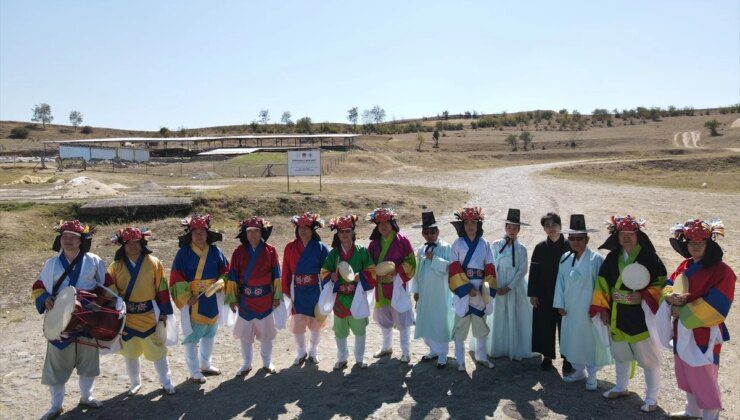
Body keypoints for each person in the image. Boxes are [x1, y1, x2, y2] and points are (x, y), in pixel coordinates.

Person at [32, 220, 111, 419]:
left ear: (81, 240)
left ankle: (87, 397)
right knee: (57, 364)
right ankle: (55, 406)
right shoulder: (51, 264)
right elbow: (38, 286)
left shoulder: (94, 260)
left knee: (88, 361)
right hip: (59, 320)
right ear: (60, 240)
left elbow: (107, 286)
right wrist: (44, 298)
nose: (68, 241)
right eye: (64, 237)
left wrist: (100, 306)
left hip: (87, 319)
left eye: (73, 238)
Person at [590, 215, 667, 413]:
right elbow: (602, 283)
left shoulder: (650, 257)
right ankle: (621, 387)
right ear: (617, 236)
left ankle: (651, 398)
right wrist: (603, 309)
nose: (626, 238)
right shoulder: (612, 257)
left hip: (641, 315)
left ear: (638, 235)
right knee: (621, 354)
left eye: (631, 234)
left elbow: (661, 283)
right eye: (622, 234)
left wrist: (643, 295)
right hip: (617, 313)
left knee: (649, 359)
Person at [664, 219, 735, 420]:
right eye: (691, 242)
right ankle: (692, 410)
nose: (695, 246)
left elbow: (717, 305)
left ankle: (710, 416)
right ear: (685, 243)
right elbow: (669, 285)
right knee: (686, 371)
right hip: (682, 328)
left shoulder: (722, 271)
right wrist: (669, 297)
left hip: (705, 331)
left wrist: (681, 311)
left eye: (700, 242)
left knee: (705, 376)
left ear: (709, 244)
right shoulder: (684, 265)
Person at [108, 227, 176, 396]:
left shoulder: (154, 262)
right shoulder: (115, 266)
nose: (132, 246)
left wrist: (165, 312)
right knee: (130, 353)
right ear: (122, 244)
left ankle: (166, 381)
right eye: (128, 243)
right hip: (127, 317)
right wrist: (115, 311)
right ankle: (135, 383)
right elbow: (110, 290)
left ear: (142, 243)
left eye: (136, 242)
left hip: (150, 315)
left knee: (158, 350)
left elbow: (162, 288)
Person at [170, 214, 231, 384]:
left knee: (210, 333)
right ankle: (194, 370)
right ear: (190, 234)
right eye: (195, 232)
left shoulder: (215, 251)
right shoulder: (183, 253)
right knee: (192, 336)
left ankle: (205, 364)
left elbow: (226, 270)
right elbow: (176, 276)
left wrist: (221, 281)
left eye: (202, 232)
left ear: (207, 233)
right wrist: (186, 296)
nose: (199, 235)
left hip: (212, 297)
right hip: (194, 300)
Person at [553, 214, 611, 391]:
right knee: (573, 339)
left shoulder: (596, 260)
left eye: (580, 238)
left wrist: (600, 308)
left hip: (589, 309)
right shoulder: (564, 258)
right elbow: (560, 282)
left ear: (587, 239)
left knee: (589, 341)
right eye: (572, 238)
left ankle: (592, 375)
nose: (576, 242)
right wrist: (560, 304)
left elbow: (602, 287)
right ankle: (578, 371)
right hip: (570, 309)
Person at [226, 217, 282, 375]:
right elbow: (233, 276)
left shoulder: (270, 250)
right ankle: (246, 363)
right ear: (245, 233)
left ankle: (267, 362)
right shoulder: (238, 252)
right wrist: (232, 298)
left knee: (267, 336)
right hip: (245, 301)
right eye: (250, 231)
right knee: (245, 336)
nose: (253, 234)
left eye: (257, 231)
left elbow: (276, 274)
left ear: (261, 232)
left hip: (265, 300)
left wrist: (277, 296)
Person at [320, 214, 377, 369]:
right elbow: (323, 272)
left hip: (356, 296)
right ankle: (342, 357)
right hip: (339, 299)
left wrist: (362, 276)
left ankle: (359, 358)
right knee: (340, 331)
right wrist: (330, 276)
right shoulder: (334, 254)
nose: (344, 235)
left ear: (353, 232)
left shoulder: (362, 251)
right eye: (341, 232)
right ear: (337, 235)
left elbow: (372, 271)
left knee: (359, 330)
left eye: (347, 231)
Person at [448, 206, 497, 371]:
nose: (470, 226)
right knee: (460, 327)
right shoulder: (457, 244)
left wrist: (485, 289)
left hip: (480, 290)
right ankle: (460, 360)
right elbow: (454, 268)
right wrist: (467, 288)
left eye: (473, 223)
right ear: (462, 225)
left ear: (478, 225)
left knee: (480, 326)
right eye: (467, 223)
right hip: (463, 290)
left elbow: (490, 267)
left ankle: (481, 356)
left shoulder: (485, 244)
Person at [367, 207, 417, 363]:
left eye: (386, 222)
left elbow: (411, 262)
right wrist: (374, 273)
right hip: (381, 287)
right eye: (379, 223)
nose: (383, 226)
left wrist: (397, 272)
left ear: (392, 222)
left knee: (402, 319)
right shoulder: (374, 244)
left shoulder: (402, 240)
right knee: (384, 319)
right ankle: (386, 346)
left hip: (397, 285)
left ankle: (406, 351)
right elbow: (368, 264)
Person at [281, 212, 330, 365]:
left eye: (306, 228)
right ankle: (301, 351)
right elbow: (286, 271)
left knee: (316, 321)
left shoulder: (321, 247)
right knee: (297, 322)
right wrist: (285, 291)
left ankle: (313, 350)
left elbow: (326, 270)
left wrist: (327, 291)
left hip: (316, 289)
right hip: (297, 290)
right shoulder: (290, 247)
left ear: (313, 230)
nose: (303, 231)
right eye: (300, 228)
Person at [528, 212, 573, 373]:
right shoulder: (540, 247)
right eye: (547, 225)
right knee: (545, 325)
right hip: (544, 293)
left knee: (565, 326)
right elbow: (533, 272)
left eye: (554, 224)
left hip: (565, 294)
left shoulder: (570, 246)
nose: (551, 228)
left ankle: (567, 358)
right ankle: (547, 357)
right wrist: (533, 293)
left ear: (560, 226)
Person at [488, 208, 533, 361]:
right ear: (505, 228)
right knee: (498, 314)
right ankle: (498, 347)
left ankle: (514, 347)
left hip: (515, 287)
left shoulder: (522, 249)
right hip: (498, 285)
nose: (512, 230)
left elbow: (522, 270)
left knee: (515, 315)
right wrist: (495, 285)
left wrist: (509, 287)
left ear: (519, 230)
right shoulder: (495, 245)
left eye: (515, 228)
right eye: (509, 227)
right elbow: (491, 265)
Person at [411, 211, 453, 368]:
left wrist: (434, 259)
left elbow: (450, 268)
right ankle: (433, 350)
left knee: (439, 321)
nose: (429, 235)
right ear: (423, 234)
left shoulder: (446, 247)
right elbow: (418, 272)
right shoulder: (421, 250)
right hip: (425, 293)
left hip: (440, 292)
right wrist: (416, 291)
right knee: (427, 320)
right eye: (426, 232)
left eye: (432, 232)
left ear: (438, 232)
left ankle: (443, 353)